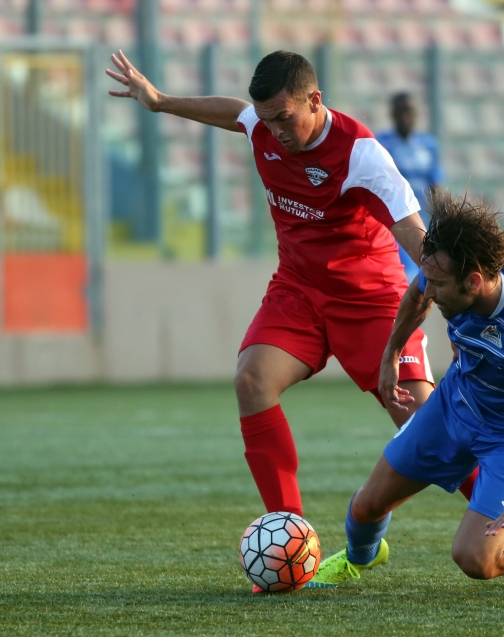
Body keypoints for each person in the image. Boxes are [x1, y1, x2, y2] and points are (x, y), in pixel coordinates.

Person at [105, 50, 483, 591]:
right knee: (252, 379)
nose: (275, 130)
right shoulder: (263, 122)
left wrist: (469, 300)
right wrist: (161, 102)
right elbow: (234, 112)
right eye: (268, 119)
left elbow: (424, 251)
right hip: (299, 292)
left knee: (425, 425)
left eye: (285, 117)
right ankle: (292, 540)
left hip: (369, 301)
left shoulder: (363, 156)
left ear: (315, 100)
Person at [304, 191, 504, 593]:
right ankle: (359, 559)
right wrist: (392, 352)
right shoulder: (446, 271)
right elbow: (416, 294)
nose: (430, 291)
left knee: (476, 558)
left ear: (474, 282)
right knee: (365, 507)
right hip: (455, 406)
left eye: (440, 284)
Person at [376, 93, 445, 281]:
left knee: (423, 274)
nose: (405, 117)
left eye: (409, 111)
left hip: (422, 220)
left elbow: (435, 184)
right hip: (395, 221)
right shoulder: (381, 143)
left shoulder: (428, 145)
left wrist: (441, 220)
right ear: (393, 115)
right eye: (400, 112)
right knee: (404, 275)